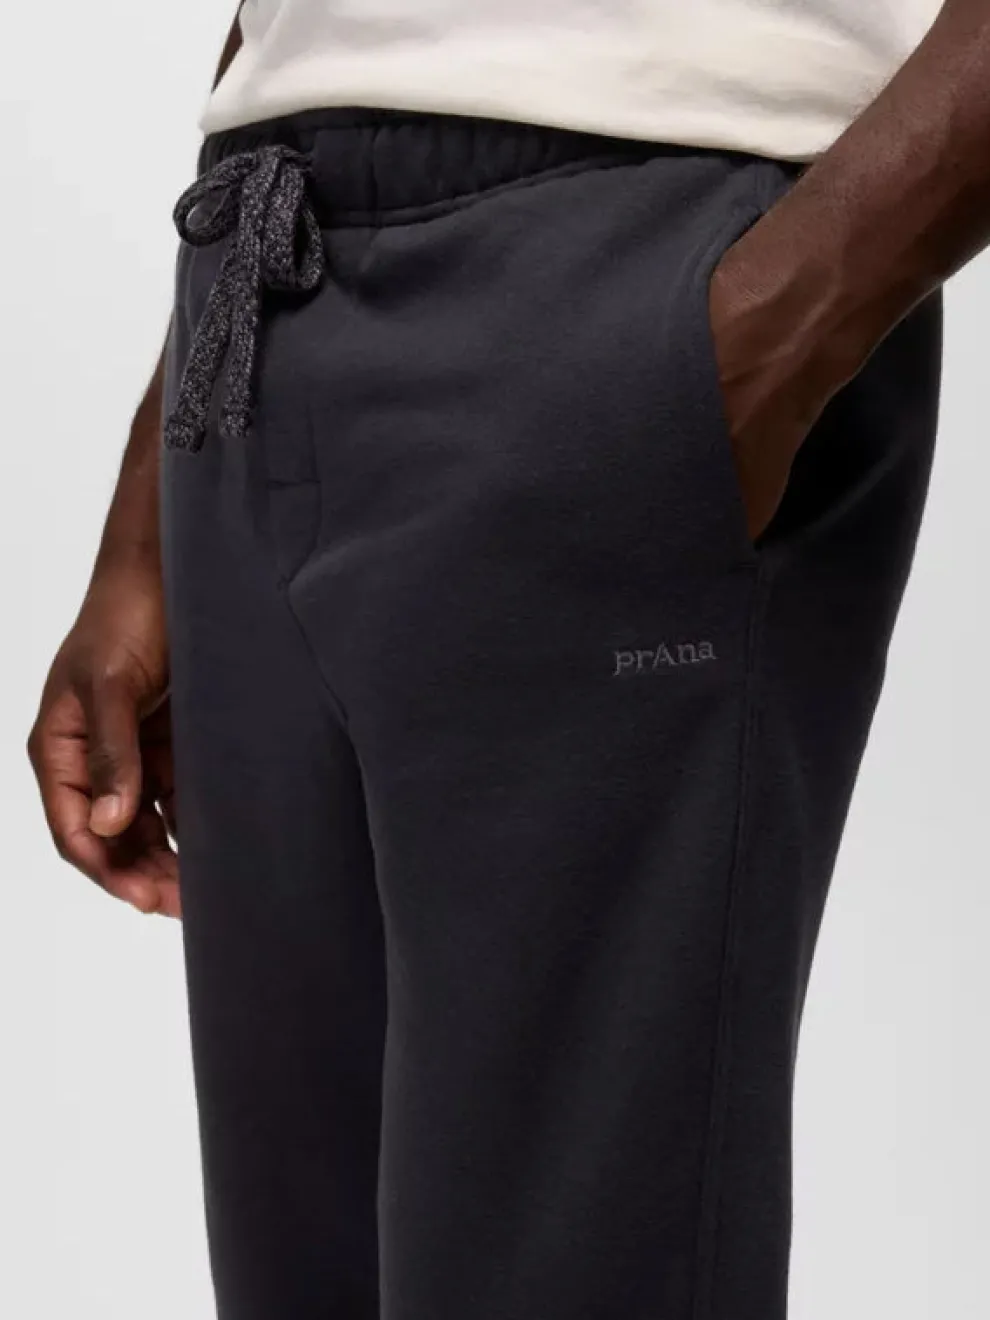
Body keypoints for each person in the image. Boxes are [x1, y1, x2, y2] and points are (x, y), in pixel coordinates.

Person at [27, 2, 989, 1316]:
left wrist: (767, 338)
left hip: (633, 252)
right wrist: (147, 517)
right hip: (259, 271)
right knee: (303, 1279)